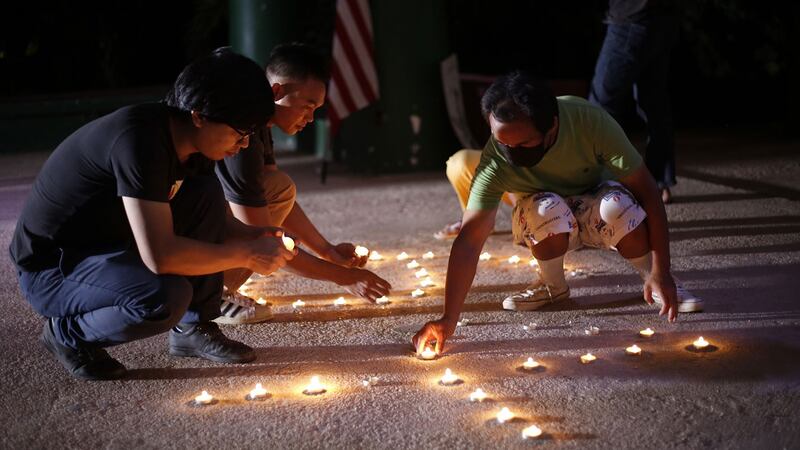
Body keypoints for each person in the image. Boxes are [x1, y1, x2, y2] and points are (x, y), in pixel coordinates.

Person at [9, 48, 296, 380]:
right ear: (199, 115)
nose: (244, 144)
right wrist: (246, 253)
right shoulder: (138, 141)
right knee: (165, 296)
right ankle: (67, 335)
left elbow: (212, 218)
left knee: (204, 193)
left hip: (108, 244)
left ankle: (194, 328)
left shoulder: (189, 142)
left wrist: (254, 236)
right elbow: (161, 257)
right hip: (54, 270)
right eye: (239, 132)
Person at [413, 71, 703, 355]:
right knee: (545, 208)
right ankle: (552, 286)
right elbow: (469, 240)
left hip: (594, 204)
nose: (512, 153)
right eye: (503, 144)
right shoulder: (495, 162)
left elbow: (648, 191)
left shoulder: (587, 121)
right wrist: (448, 319)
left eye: (523, 144)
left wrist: (661, 270)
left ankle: (654, 281)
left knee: (618, 206)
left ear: (551, 127)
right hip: (544, 219)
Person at [214, 43, 391, 324]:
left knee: (279, 187)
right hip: (180, 227)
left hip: (201, 217)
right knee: (272, 210)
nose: (310, 118)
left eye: (316, 109)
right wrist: (344, 277)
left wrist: (327, 250)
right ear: (277, 92)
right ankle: (209, 296)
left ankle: (211, 289)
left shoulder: (261, 123)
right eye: (307, 106)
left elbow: (276, 201)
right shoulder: (241, 131)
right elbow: (261, 235)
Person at [589, 0, 680, 203]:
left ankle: (597, 184)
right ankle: (657, 182)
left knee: (601, 105)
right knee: (654, 102)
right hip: (661, 18)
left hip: (631, 17)